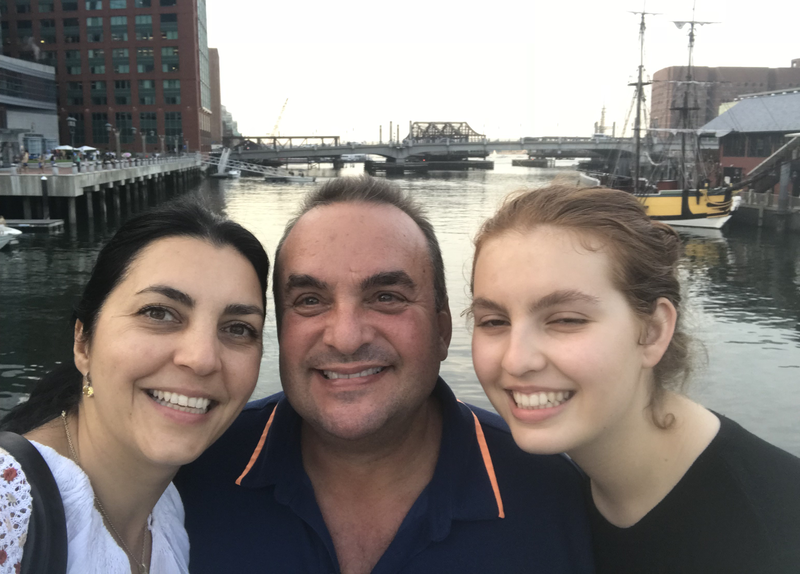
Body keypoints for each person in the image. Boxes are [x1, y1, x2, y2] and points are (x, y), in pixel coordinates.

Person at [176, 177, 593, 574]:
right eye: (310, 300)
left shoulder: (552, 495)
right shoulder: (191, 472)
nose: (345, 338)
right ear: (281, 330)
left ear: (442, 331)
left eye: (386, 297)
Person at [469, 184, 800, 574]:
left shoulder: (777, 533)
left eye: (566, 320)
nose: (516, 360)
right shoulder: (545, 492)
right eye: (494, 322)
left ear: (653, 331)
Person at [0, 198, 270, 574]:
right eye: (158, 313)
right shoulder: (10, 511)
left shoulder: (167, 510)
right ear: (83, 343)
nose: (202, 358)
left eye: (238, 329)